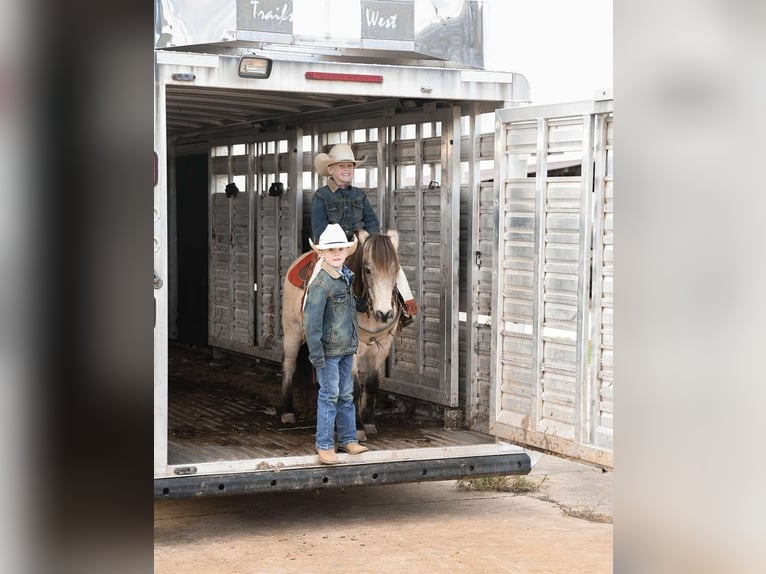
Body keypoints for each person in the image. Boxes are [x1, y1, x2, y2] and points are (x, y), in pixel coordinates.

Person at [312, 143, 418, 319]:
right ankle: (314, 315)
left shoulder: (359, 195)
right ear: (330, 169)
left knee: (389, 264)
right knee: (320, 274)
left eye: (350, 166)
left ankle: (405, 308)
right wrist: (337, 246)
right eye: (342, 165)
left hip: (362, 242)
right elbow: (320, 228)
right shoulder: (321, 195)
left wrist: (374, 243)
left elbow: (370, 220)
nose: (346, 169)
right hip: (335, 246)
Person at [303, 223, 369, 465]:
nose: (337, 253)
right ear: (321, 253)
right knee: (329, 395)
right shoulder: (321, 284)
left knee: (346, 393)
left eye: (341, 249)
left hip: (346, 348)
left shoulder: (346, 277)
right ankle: (324, 445)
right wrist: (316, 355)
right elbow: (311, 323)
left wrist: (363, 303)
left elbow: (349, 307)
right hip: (329, 352)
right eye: (332, 250)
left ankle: (349, 439)